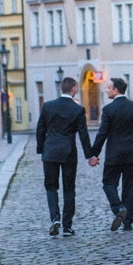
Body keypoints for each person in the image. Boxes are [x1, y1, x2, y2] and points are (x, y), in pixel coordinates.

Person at [35, 77, 93, 236]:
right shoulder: (78, 110)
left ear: (62, 88)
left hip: (50, 152)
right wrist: (90, 156)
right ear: (73, 89)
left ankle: (55, 218)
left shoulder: (47, 106)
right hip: (68, 152)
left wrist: (41, 151)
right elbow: (83, 135)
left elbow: (40, 130)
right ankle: (67, 226)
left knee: (51, 187)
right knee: (69, 189)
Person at [89, 77, 133, 231]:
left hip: (113, 155)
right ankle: (128, 221)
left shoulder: (109, 110)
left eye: (109, 88)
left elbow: (102, 134)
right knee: (130, 187)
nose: (107, 90)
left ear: (116, 90)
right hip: (130, 153)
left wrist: (94, 154)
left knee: (109, 183)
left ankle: (119, 207)